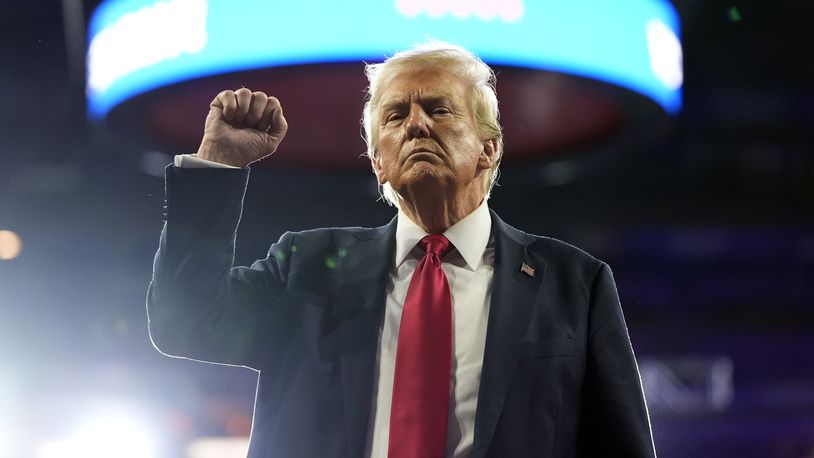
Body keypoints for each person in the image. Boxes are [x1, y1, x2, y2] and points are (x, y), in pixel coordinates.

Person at [147, 41, 656, 457]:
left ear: (489, 147)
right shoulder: (307, 268)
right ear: (378, 162)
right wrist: (218, 165)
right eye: (395, 115)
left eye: (438, 109)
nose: (416, 124)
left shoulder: (574, 283)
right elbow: (186, 321)